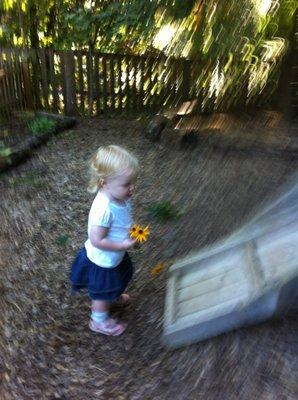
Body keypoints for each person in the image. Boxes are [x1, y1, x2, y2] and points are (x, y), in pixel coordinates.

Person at [70, 145, 138, 336]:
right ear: (104, 183)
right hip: (102, 261)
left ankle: (112, 296)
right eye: (126, 184)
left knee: (121, 276)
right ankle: (98, 321)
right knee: (101, 290)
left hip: (115, 255)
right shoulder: (103, 210)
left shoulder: (120, 196)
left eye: (133, 182)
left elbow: (123, 217)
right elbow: (96, 240)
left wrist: (131, 230)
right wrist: (122, 245)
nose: (132, 188)